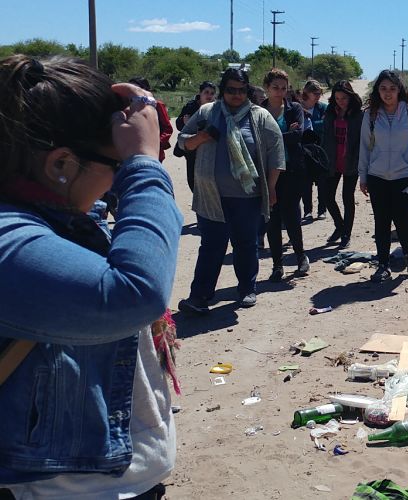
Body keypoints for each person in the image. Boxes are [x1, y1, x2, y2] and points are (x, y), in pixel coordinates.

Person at [0, 55, 182, 499]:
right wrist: (143, 164)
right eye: (115, 167)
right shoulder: (9, 237)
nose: (118, 180)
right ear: (61, 163)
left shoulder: (57, 213)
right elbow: (134, 293)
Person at [177, 68, 284, 312]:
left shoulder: (259, 116)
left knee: (245, 244)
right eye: (231, 90)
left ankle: (247, 288)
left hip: (248, 197)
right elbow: (183, 141)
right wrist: (201, 137)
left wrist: (272, 188)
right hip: (211, 194)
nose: (236, 95)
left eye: (241, 90)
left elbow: (276, 154)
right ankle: (200, 297)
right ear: (222, 90)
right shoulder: (207, 112)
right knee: (211, 246)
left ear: (248, 91)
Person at [358, 70, 408, 283]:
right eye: (383, 88)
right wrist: (363, 176)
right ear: (377, 90)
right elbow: (364, 147)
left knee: (402, 219)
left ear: (400, 90)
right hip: (377, 176)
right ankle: (383, 264)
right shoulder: (370, 114)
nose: (387, 93)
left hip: (404, 175)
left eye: (392, 88)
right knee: (381, 221)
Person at [261, 68, 312, 282]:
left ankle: (300, 256)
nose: (280, 92)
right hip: (265, 172)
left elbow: (297, 135)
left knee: (291, 216)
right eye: (275, 87)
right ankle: (277, 264)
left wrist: (273, 138)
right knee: (272, 220)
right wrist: (284, 135)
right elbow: (255, 140)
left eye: (283, 88)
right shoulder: (258, 110)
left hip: (292, 171)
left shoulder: (294, 108)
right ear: (266, 88)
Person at [322, 80, 363, 249]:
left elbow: (362, 140)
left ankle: (346, 233)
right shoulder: (330, 112)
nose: (341, 101)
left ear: (350, 97)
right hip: (332, 160)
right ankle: (339, 226)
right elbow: (325, 136)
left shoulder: (358, 115)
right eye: (337, 98)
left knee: (347, 197)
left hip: (351, 161)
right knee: (327, 196)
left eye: (344, 98)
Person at [176, 81, 217, 192]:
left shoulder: (217, 108)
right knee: (192, 179)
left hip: (209, 148)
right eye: (206, 92)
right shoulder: (191, 106)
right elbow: (179, 125)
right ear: (200, 93)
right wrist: (185, 122)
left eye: (212, 93)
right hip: (192, 148)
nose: (209, 95)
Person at [300, 79, 329, 220]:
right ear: (306, 93)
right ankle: (307, 211)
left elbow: (327, 128)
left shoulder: (323, 108)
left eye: (320, 93)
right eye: (315, 93)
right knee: (305, 182)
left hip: (320, 150)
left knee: (322, 182)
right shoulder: (298, 107)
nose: (317, 95)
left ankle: (322, 210)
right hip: (303, 152)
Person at [128, 77, 173, 163]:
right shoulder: (126, 105)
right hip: (130, 152)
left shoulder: (157, 105)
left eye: (135, 88)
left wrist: (156, 143)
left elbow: (167, 128)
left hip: (153, 153)